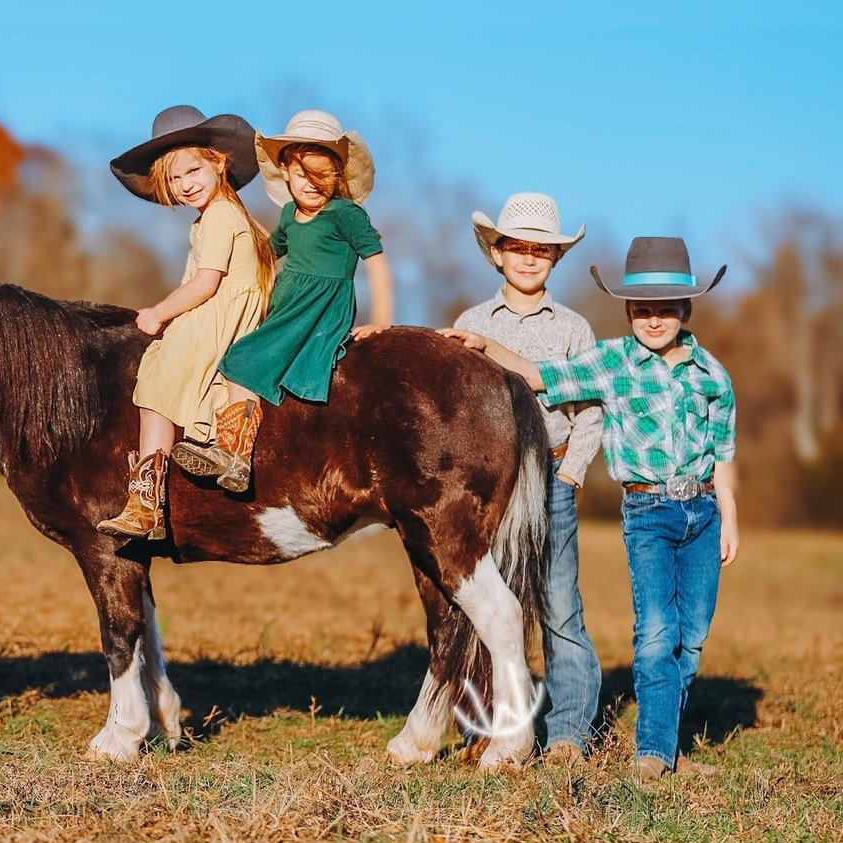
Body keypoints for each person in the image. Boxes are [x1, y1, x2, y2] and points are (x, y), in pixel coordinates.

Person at [441, 236, 739, 781]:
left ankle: (647, 739)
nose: (653, 320)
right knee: (653, 631)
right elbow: (539, 375)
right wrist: (483, 344)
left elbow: (723, 451)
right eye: (642, 309)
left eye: (665, 309)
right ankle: (650, 754)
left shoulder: (710, 375)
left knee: (688, 636)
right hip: (643, 510)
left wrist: (731, 518)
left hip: (699, 509)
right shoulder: (611, 362)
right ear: (628, 311)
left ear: (686, 310)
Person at [171, 110, 394, 492]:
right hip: (284, 302)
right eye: (301, 174)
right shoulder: (289, 215)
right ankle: (221, 442)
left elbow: (376, 262)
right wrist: (232, 217)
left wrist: (383, 320)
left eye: (321, 175)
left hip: (316, 309)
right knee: (233, 350)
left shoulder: (346, 214)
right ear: (285, 173)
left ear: (337, 176)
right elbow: (266, 252)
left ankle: (233, 455)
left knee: (242, 359)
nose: (310, 183)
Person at [454, 193, 602, 763]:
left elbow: (590, 409)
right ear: (497, 254)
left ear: (556, 258)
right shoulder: (471, 324)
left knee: (560, 607)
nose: (528, 257)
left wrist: (570, 475)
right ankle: (486, 726)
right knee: (485, 606)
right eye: (517, 246)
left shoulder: (573, 328)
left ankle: (567, 734)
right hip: (490, 487)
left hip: (552, 479)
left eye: (542, 249)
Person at [97, 105, 275, 540]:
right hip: (232, 321)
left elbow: (205, 284)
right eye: (174, 180)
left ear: (218, 163)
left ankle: (146, 503)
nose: (184, 185)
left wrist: (158, 313)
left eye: (192, 170)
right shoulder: (231, 215)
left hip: (212, 318)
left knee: (154, 380)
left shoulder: (219, 215)